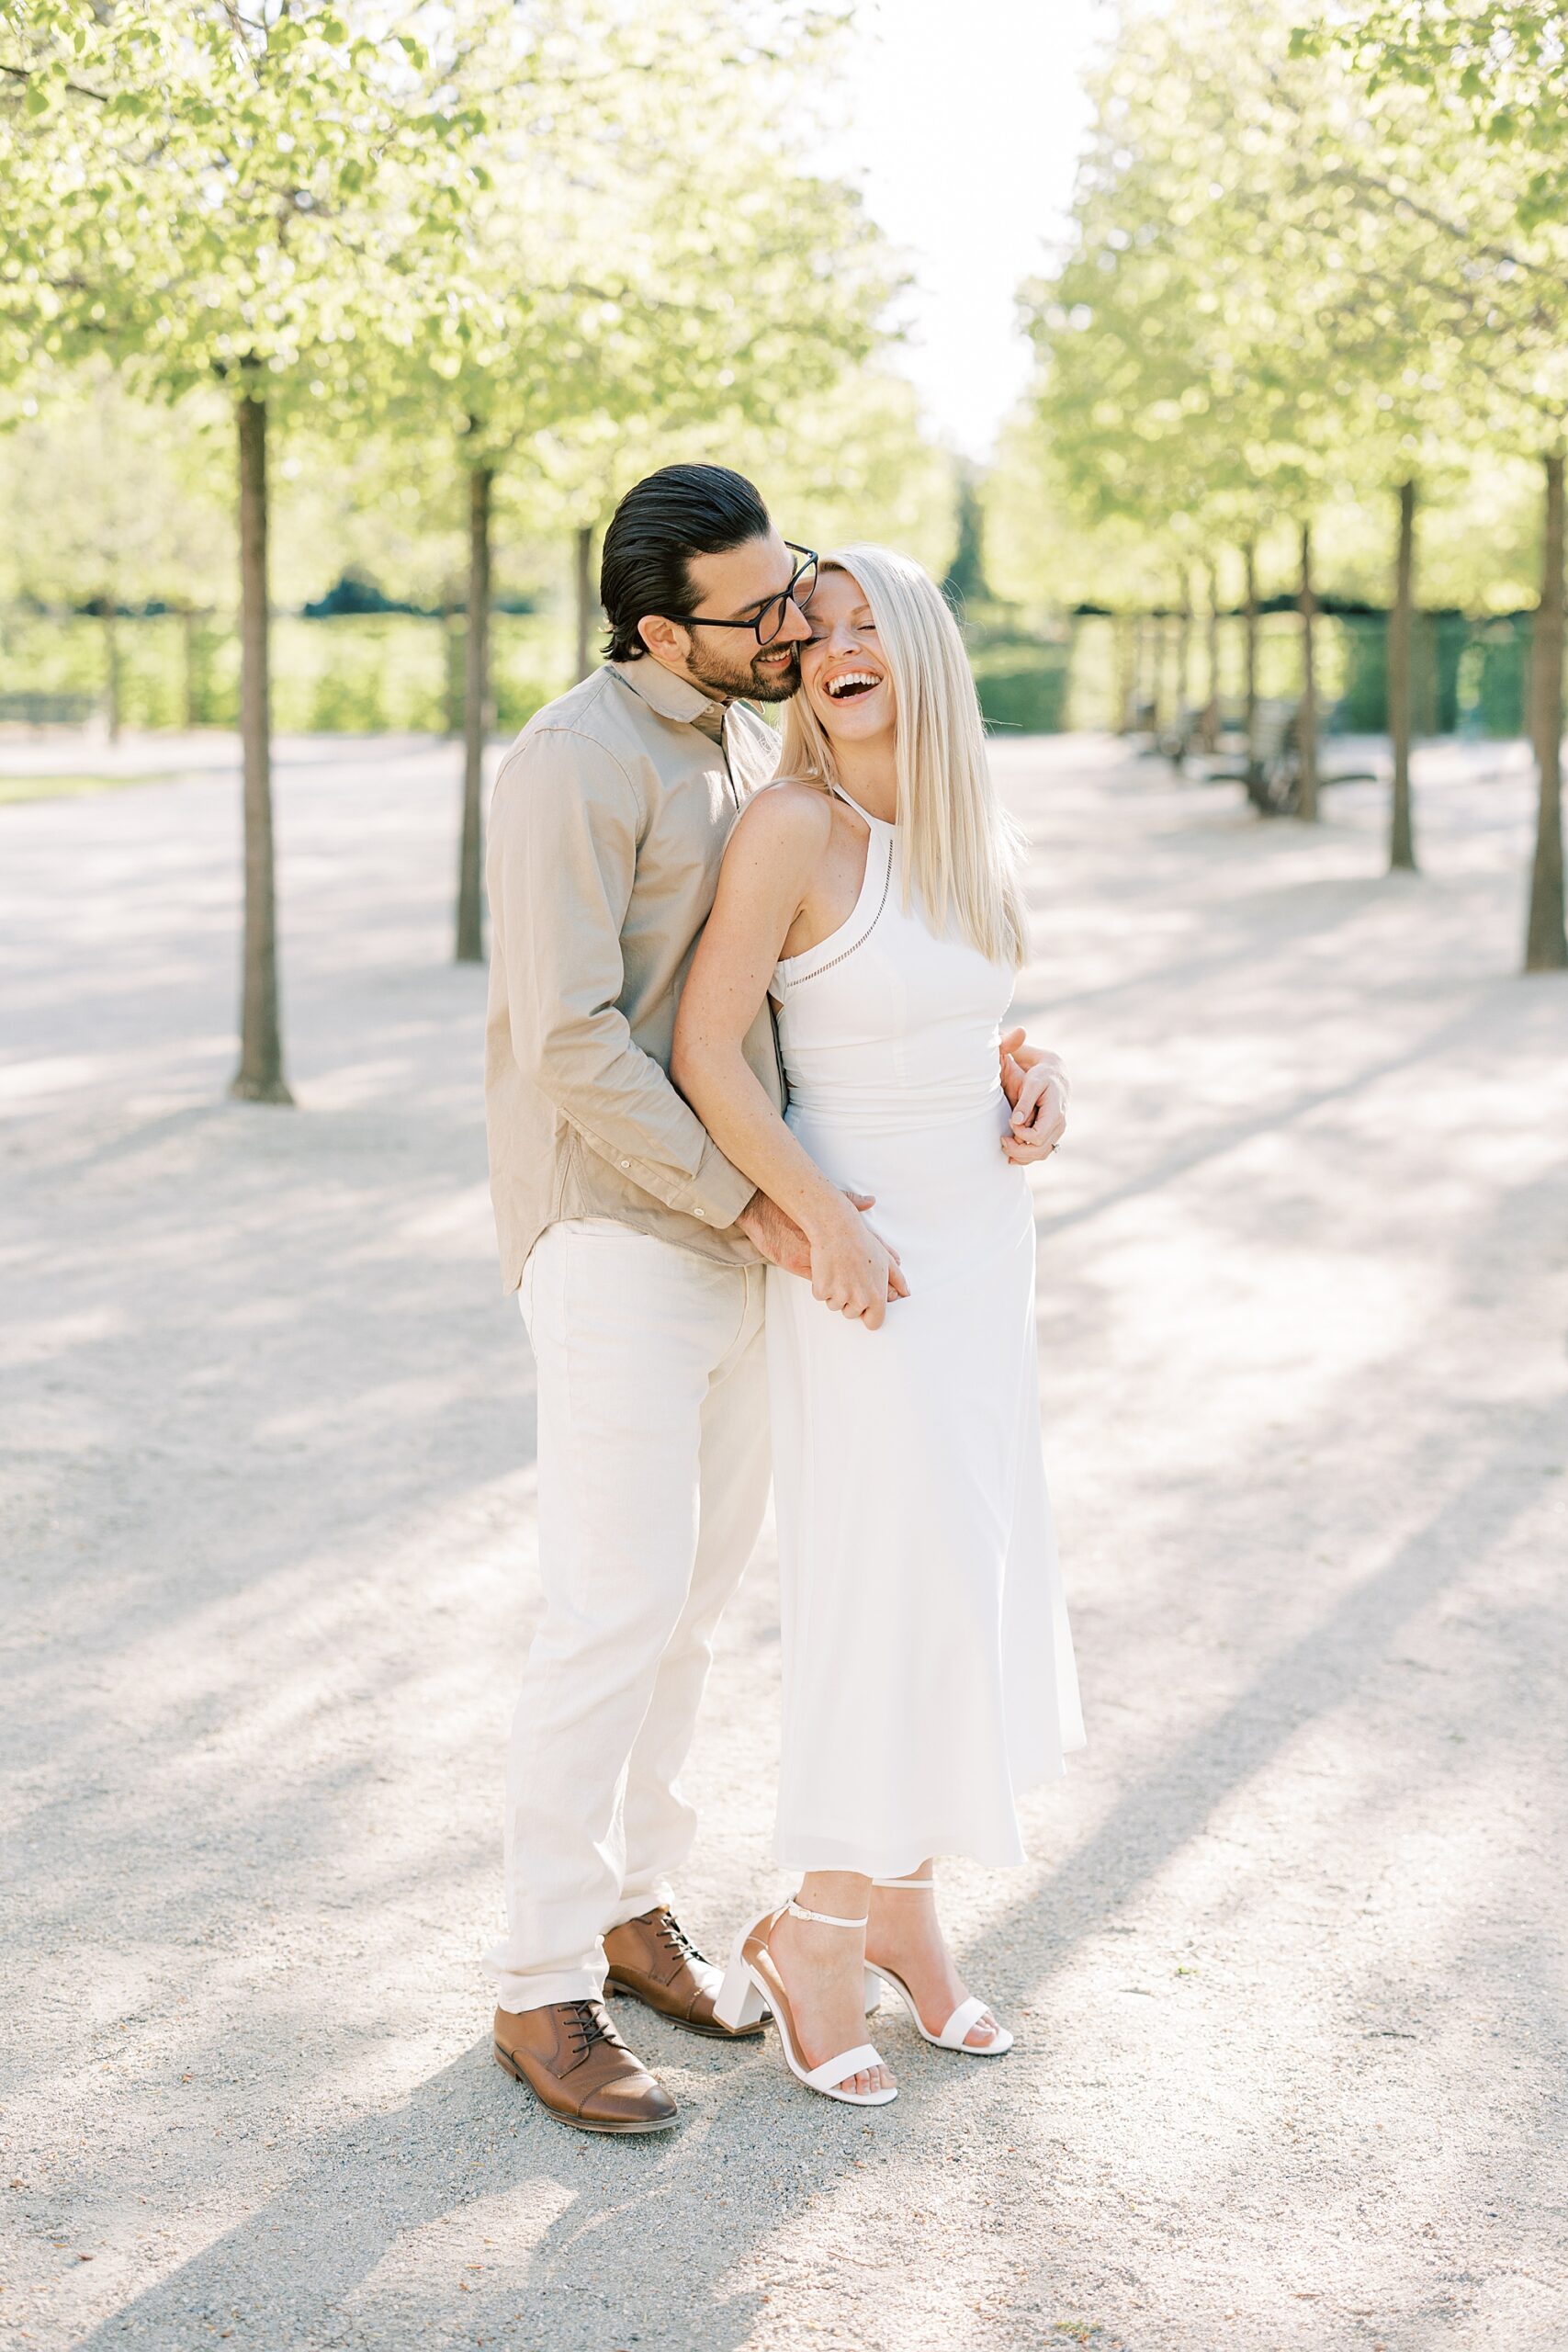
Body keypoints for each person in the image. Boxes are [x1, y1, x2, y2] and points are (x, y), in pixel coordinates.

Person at [483, 467, 1066, 2133]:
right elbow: (573, 1036)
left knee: (688, 1601)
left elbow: (843, 987)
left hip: (744, 1238)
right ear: (664, 630)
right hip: (619, 1227)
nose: (802, 624)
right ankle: (540, 1984)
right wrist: (772, 1202)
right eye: (769, 612)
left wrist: (1005, 1066)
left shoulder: (747, 739)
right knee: (610, 1603)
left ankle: (637, 1906)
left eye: (802, 589)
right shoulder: (574, 763)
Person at [672, 544, 1084, 2108]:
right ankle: (819, 1925)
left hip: (986, 1246)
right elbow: (712, 1051)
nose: (838, 647)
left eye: (869, 625)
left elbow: (979, 1027)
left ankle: (906, 1911)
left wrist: (1041, 1087)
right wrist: (822, 1222)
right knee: (881, 1580)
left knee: (964, 1568)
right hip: (859, 1262)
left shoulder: (976, 834)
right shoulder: (792, 826)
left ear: (924, 652)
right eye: (817, 628)